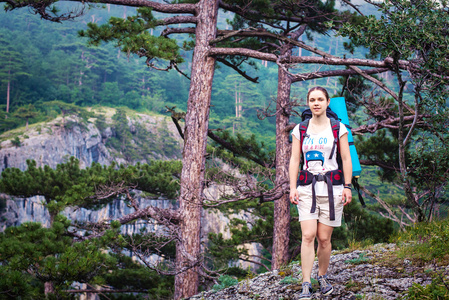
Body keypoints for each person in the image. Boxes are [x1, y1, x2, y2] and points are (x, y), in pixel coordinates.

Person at [289, 86, 353, 299]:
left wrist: (347, 186)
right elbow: (294, 160)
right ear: (308, 103)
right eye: (312, 100)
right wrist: (292, 188)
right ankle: (306, 282)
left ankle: (322, 276)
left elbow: (345, 159)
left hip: (332, 188)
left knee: (324, 239)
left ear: (327, 103)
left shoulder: (338, 128)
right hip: (307, 188)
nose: (316, 103)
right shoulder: (300, 129)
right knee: (308, 235)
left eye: (320, 99)